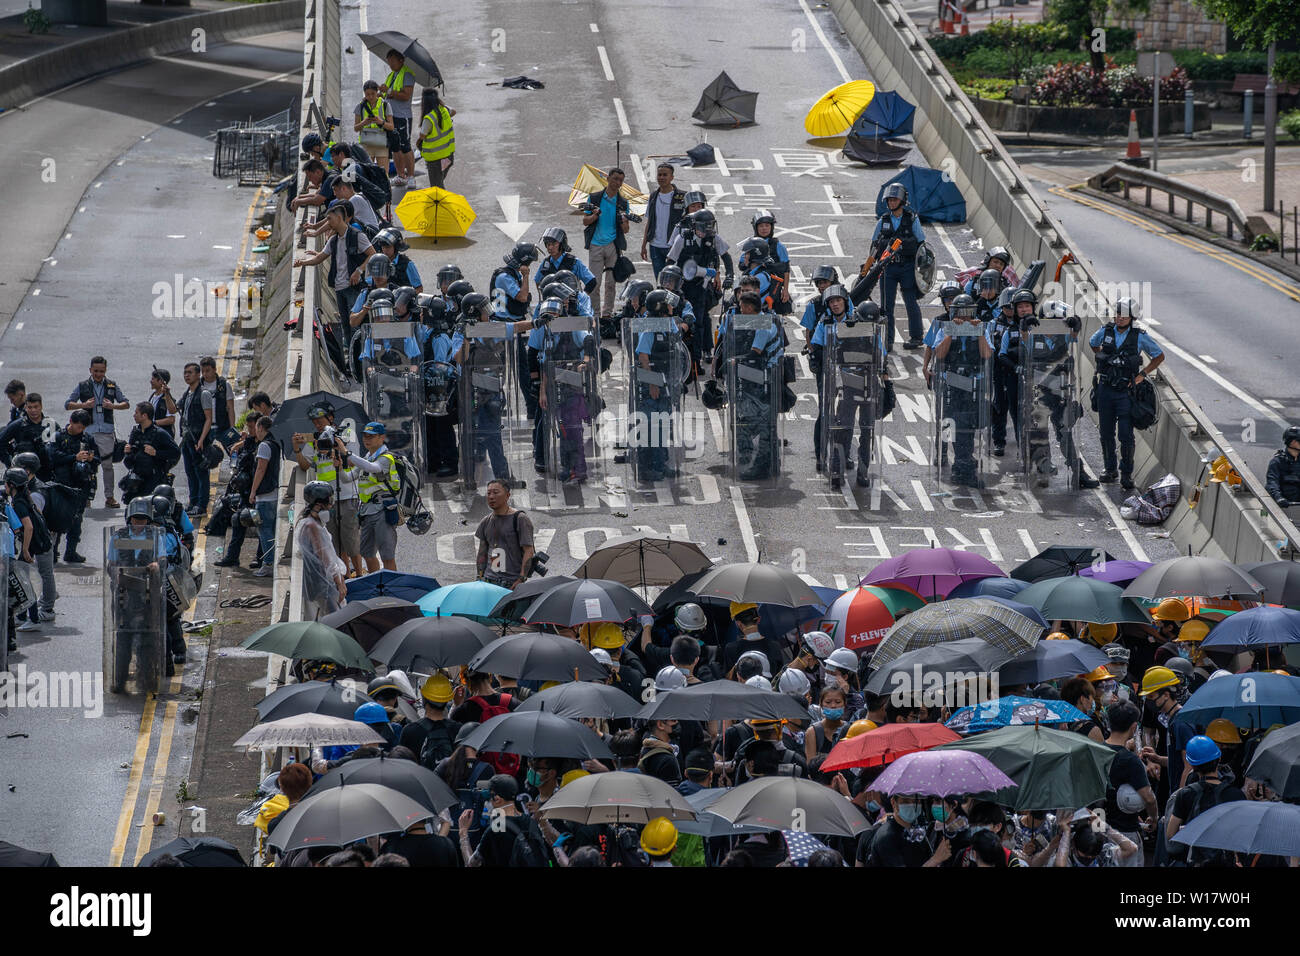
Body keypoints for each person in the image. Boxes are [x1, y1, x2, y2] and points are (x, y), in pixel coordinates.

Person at [1089, 297, 1164, 490]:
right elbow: (1092, 344)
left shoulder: (1139, 336)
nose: (1119, 318)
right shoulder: (1105, 331)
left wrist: (1142, 375)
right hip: (1105, 389)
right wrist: (1102, 361)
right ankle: (1110, 469)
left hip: (1126, 392)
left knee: (1125, 434)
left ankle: (1126, 473)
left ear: (1132, 317)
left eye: (1123, 315)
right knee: (1106, 432)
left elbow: (1159, 356)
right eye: (1117, 314)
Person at [292, 199, 377, 366]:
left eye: (330, 219)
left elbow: (372, 254)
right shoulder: (334, 240)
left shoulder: (357, 236)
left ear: (339, 218)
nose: (328, 223)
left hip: (354, 289)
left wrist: (359, 271)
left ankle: (362, 361)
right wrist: (303, 262)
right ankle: (351, 363)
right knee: (345, 327)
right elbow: (320, 257)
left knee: (355, 326)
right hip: (339, 288)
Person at [292, 402, 364, 577]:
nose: (317, 424)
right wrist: (297, 448)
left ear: (331, 418)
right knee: (336, 543)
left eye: (320, 420)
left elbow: (354, 460)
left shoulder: (347, 434)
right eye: (314, 421)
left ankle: (360, 575)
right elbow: (304, 465)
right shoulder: (315, 440)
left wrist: (337, 447)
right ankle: (345, 576)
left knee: (351, 542)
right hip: (326, 501)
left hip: (347, 495)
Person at [933, 293, 993, 488]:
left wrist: (979, 332)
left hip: (973, 384)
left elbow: (987, 354)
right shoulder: (946, 328)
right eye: (960, 312)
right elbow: (939, 354)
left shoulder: (981, 328)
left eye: (968, 313)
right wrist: (952, 331)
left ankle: (964, 463)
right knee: (952, 427)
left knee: (968, 426)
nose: (965, 317)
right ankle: (962, 465)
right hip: (952, 384)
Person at [1164, 735, 1245, 867]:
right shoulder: (1235, 794)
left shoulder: (1185, 794)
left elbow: (1170, 834)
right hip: (1225, 861)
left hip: (1195, 861)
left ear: (1191, 764)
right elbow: (1241, 835)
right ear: (1219, 759)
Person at [667, 209, 733, 363]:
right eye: (702, 228)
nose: (705, 232)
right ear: (694, 226)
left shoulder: (714, 239)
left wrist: (729, 276)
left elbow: (726, 258)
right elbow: (670, 261)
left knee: (701, 320)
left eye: (708, 228)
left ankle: (699, 356)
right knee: (681, 317)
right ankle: (682, 351)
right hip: (682, 286)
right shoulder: (683, 239)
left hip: (702, 286)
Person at [65, 358, 129, 507]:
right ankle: (86, 497)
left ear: (105, 370)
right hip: (88, 432)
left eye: (101, 371)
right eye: (96, 371)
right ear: (90, 370)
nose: (98, 374)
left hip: (106, 432)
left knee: (107, 465)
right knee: (87, 465)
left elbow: (126, 403)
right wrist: (84, 405)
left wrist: (112, 406)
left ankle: (109, 497)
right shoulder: (83, 386)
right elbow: (68, 404)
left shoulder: (111, 385)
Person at [871, 183, 926, 352]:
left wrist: (922, 268)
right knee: (887, 306)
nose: (892, 203)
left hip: (908, 267)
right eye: (890, 200)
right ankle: (887, 340)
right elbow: (874, 245)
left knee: (911, 302)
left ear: (902, 201)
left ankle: (916, 337)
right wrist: (870, 265)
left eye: (895, 200)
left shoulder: (912, 219)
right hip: (888, 269)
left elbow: (921, 244)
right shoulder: (883, 221)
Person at [1103, 701, 1157, 866]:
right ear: (1134, 727)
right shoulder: (1130, 760)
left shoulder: (1096, 750)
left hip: (1099, 827)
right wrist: (1154, 818)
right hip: (1125, 832)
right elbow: (1148, 798)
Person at [581, 167, 632, 324]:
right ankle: (595, 314)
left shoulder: (623, 203)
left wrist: (623, 220)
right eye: (615, 179)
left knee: (611, 283)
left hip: (613, 246)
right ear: (608, 178)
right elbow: (585, 221)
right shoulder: (595, 198)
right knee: (594, 283)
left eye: (620, 181)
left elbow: (626, 229)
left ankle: (607, 313)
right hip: (596, 245)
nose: (617, 183)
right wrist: (595, 215)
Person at [46, 409, 98, 563]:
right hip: (62, 484)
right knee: (57, 519)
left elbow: (98, 458)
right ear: (71, 422)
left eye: (83, 428)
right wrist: (73, 457)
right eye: (78, 426)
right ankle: (53, 552)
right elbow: (52, 457)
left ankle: (71, 551)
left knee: (77, 519)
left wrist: (90, 459)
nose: (80, 430)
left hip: (80, 485)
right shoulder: (58, 437)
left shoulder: (87, 439)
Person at [349, 422, 401, 573]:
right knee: (367, 553)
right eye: (365, 436)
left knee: (387, 555)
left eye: (371, 436)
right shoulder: (367, 457)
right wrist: (339, 467)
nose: (367, 439)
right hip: (366, 512)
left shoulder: (386, 458)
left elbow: (374, 468)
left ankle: (391, 586)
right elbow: (348, 477)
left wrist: (349, 454)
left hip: (383, 510)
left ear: (382, 437)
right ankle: (376, 584)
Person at [295, 481, 347, 620]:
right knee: (335, 620)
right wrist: (339, 582)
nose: (331, 506)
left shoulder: (306, 521)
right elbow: (325, 557)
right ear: (318, 505)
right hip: (322, 583)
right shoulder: (312, 526)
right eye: (329, 502)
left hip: (316, 580)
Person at [474, 478, 535, 589]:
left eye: (496, 492)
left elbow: (528, 551)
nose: (491, 496)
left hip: (511, 583)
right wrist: (479, 577)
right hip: (489, 581)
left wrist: (521, 579)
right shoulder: (486, 521)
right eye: (488, 493)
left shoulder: (520, 519)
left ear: (507, 495)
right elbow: (482, 552)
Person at [121, 403, 180, 504]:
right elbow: (128, 462)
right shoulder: (135, 432)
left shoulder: (159, 433)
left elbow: (176, 453)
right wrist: (127, 453)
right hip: (137, 480)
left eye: (136, 413)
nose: (134, 415)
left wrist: (156, 453)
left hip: (154, 480)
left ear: (144, 416)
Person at [245, 415, 280, 576]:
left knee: (264, 530)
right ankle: (272, 562)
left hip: (264, 497)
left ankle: (268, 564)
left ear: (260, 428)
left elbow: (260, 469)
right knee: (272, 531)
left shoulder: (264, 446)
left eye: (256, 429)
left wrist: (252, 491)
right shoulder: (276, 443)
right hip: (274, 495)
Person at [176, 363, 212, 516]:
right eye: (185, 373)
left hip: (197, 438)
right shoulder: (187, 393)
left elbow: (208, 419)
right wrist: (166, 394)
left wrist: (202, 439)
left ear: (198, 375)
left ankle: (201, 505)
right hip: (186, 439)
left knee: (201, 473)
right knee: (190, 472)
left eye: (190, 373)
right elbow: (173, 409)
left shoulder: (203, 394)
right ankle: (193, 501)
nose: (187, 375)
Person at [641, 164, 687, 278]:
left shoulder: (682, 197)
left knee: (675, 281)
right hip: (655, 247)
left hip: (674, 247)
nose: (661, 177)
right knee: (660, 280)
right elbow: (649, 222)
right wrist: (643, 245)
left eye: (665, 175)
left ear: (672, 177)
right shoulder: (653, 196)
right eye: (659, 175)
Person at [379, 49, 417, 186]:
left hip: (403, 116)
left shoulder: (407, 74)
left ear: (401, 60)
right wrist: (381, 94)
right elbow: (388, 94)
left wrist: (388, 91)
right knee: (395, 148)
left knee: (405, 146)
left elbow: (406, 95)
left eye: (393, 61)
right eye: (389, 61)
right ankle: (401, 175)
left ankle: (411, 176)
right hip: (391, 116)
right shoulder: (392, 75)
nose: (390, 64)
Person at [0, 392, 52, 480]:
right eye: (30, 407)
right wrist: (10, 464)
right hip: (23, 472)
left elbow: (57, 448)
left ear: (41, 406)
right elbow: (1, 442)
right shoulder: (17, 425)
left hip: (45, 471)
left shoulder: (50, 424)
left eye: (36, 407)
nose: (33, 410)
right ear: (25, 408)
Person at [415, 87, 456, 188]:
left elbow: (422, 135)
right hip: (448, 156)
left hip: (435, 160)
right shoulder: (444, 110)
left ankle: (444, 203)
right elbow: (454, 111)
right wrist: (441, 104)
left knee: (437, 189)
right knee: (439, 184)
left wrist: (418, 143)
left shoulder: (429, 118)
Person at [354, 79, 395, 168]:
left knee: (384, 174)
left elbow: (391, 127)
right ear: (364, 94)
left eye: (373, 93)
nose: (371, 97)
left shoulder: (385, 105)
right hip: (366, 144)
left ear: (377, 92)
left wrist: (381, 122)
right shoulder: (360, 106)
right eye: (368, 94)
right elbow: (356, 128)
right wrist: (363, 123)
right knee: (368, 174)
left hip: (382, 143)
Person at [1266, 425, 1300, 509]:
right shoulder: (1277, 462)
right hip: (1286, 507)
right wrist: (1278, 498)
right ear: (1292, 442)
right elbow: (1272, 482)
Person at [146, 369, 177, 439]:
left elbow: (171, 420)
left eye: (153, 379)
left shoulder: (168, 400)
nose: (151, 381)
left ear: (161, 381)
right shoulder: (152, 396)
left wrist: (152, 423)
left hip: (163, 436)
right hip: (152, 434)